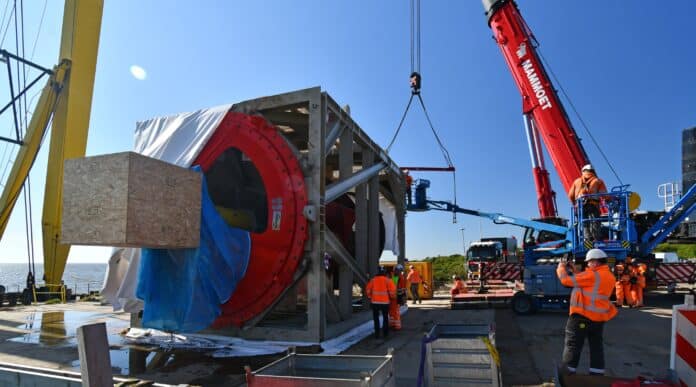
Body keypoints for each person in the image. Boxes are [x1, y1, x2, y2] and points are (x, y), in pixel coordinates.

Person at [556, 248, 617, 376]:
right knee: (596, 348)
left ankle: (567, 376)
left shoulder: (592, 275)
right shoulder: (610, 276)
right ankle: (597, 375)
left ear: (595, 262)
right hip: (598, 318)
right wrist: (575, 271)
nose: (588, 264)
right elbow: (588, 283)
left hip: (581, 317)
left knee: (573, 345)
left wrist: (561, 267)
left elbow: (565, 280)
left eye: (589, 262)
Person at [568, 164, 607, 242]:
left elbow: (570, 195)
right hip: (593, 205)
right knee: (595, 222)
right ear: (593, 171)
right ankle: (596, 240)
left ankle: (587, 239)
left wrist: (574, 204)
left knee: (584, 223)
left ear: (583, 171)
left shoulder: (577, 181)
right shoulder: (598, 181)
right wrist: (610, 199)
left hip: (580, 206)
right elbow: (604, 194)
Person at [366, 266, 396, 339]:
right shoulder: (388, 280)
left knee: (376, 319)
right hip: (385, 303)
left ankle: (377, 334)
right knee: (385, 318)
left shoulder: (373, 280)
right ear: (384, 273)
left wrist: (370, 297)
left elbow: (368, 290)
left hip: (375, 303)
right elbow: (392, 291)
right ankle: (385, 334)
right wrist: (392, 297)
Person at [389, 264, 407, 330]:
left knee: (395, 312)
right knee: (391, 312)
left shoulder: (400, 277)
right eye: (399, 271)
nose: (400, 272)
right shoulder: (393, 276)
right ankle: (392, 324)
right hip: (392, 297)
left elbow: (402, 289)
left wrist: (402, 298)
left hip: (396, 298)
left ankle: (397, 326)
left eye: (400, 271)